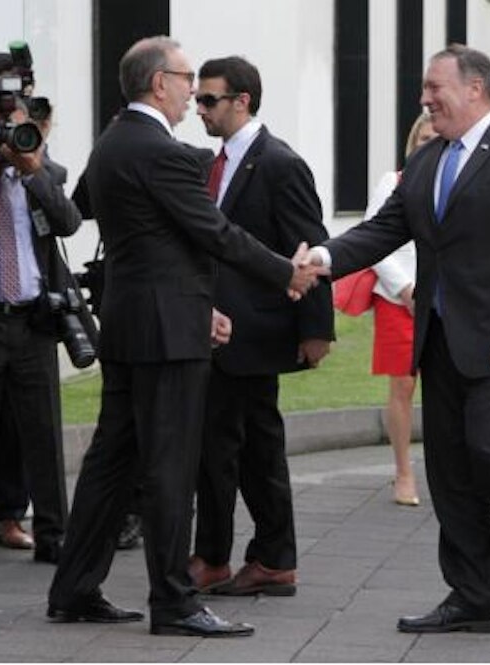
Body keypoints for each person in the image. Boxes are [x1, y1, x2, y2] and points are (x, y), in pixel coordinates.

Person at [46, 36, 321, 638]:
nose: (192, 90)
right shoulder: (161, 151)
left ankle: (74, 588)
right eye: (185, 77)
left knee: (110, 463)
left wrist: (204, 306)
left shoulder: (114, 141)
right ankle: (173, 602)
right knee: (170, 468)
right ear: (158, 83)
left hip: (133, 324)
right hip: (166, 335)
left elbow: (151, 242)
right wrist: (286, 272)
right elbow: (215, 233)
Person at [308, 44, 490, 633]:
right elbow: (383, 229)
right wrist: (326, 255)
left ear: (476, 88)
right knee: (451, 474)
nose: (425, 99)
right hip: (441, 341)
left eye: (435, 87)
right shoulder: (428, 161)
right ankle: (472, 599)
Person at [188, 56, 333, 597]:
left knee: (253, 449)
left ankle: (264, 559)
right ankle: (227, 557)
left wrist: (316, 329)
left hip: (256, 333)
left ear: (241, 100)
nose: (198, 109)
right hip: (218, 334)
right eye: (197, 98)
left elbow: (309, 245)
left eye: (209, 100)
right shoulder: (212, 164)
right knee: (221, 448)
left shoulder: (279, 163)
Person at [0, 88, 81, 568]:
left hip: (36, 320)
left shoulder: (41, 174)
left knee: (43, 432)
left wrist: (32, 168)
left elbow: (69, 221)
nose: (9, 140)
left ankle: (55, 535)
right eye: (0, 130)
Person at [361, 113, 437, 507]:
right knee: (403, 386)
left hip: (445, 301)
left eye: (435, 138)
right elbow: (373, 237)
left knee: (447, 386)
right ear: (412, 144)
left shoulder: (456, 182)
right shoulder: (393, 182)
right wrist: (404, 287)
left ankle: (447, 470)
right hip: (399, 297)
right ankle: (403, 472)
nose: (428, 144)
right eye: (422, 138)